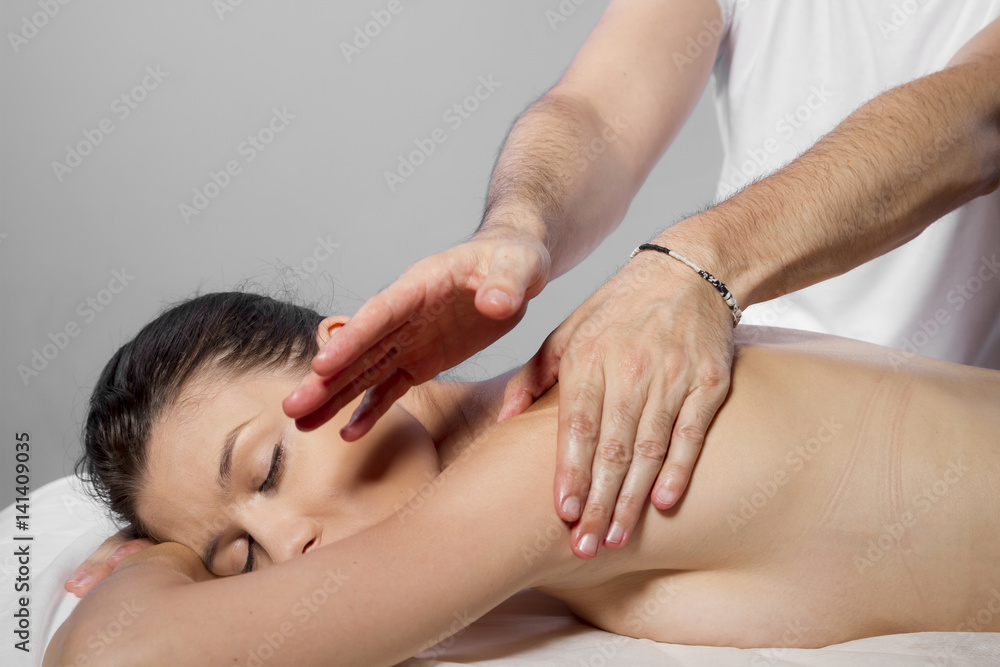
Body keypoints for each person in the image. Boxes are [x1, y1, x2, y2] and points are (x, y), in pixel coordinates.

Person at [281, 0, 1000, 563]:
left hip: (953, 454)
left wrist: (698, 263)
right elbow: (598, 114)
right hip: (731, 410)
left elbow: (978, 116)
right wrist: (517, 227)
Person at [49, 292, 1000, 666]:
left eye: (267, 467)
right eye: (241, 555)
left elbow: (115, 660)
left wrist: (155, 561)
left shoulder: (556, 447)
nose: (287, 544)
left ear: (350, 355)